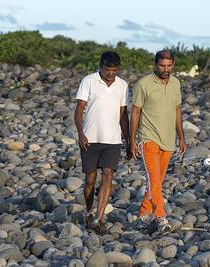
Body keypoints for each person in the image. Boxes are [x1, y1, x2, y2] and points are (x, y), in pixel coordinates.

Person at [130, 50, 187, 233]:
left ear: (173, 65)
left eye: (169, 66)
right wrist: (131, 140)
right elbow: (136, 112)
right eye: (162, 65)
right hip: (148, 138)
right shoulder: (143, 84)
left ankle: (143, 215)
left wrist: (182, 137)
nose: (165, 69)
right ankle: (161, 217)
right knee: (154, 179)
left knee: (158, 181)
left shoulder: (175, 83)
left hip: (168, 139)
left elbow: (177, 110)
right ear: (155, 65)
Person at [74, 51, 130, 234]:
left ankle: (99, 218)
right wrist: (81, 134)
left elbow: (123, 115)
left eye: (114, 70)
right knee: (90, 179)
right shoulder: (88, 81)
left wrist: (129, 140)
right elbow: (79, 110)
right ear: (101, 66)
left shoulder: (123, 86)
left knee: (108, 175)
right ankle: (89, 212)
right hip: (90, 139)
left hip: (112, 140)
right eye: (108, 69)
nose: (111, 73)